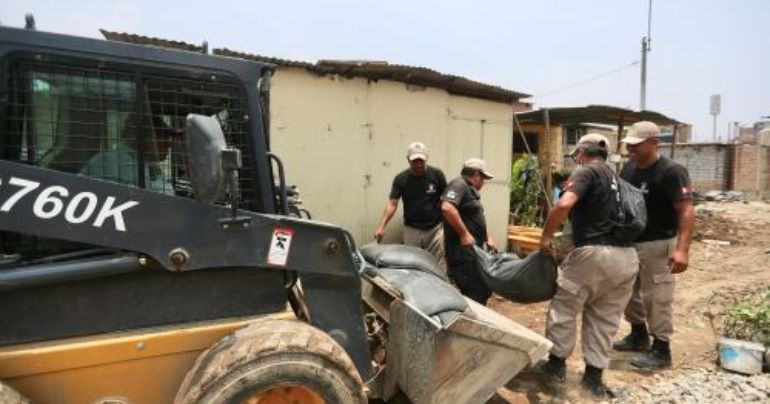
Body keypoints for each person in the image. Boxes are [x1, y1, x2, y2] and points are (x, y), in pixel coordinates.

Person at [535, 134, 639, 398]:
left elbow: (564, 204)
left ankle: (555, 368)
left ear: (581, 152)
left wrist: (546, 236)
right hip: (626, 258)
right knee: (604, 318)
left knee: (565, 307)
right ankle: (593, 378)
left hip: (595, 254)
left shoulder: (587, 171)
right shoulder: (619, 180)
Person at [613, 121, 695, 370]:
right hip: (630, 243)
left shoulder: (671, 172)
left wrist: (682, 249)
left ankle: (661, 349)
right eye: (629, 145)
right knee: (626, 292)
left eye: (637, 145)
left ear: (654, 142)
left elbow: (686, 210)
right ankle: (638, 334)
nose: (631, 149)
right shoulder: (628, 169)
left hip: (659, 244)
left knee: (657, 298)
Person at [373, 142, 447, 270]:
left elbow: (446, 199)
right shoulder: (401, 179)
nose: (418, 164)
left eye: (421, 161)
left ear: (426, 159)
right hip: (412, 229)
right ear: (408, 160)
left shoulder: (437, 175)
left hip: (435, 229)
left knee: (438, 263)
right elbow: (392, 203)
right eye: (414, 161)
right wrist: (381, 226)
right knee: (411, 264)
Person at [441, 158, 496, 305]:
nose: (484, 182)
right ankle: (471, 323)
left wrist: (488, 237)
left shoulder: (468, 190)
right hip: (462, 254)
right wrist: (464, 234)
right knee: (475, 292)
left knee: (482, 290)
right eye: (483, 178)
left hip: (473, 253)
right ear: (477, 175)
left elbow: (474, 218)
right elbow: (447, 207)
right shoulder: (459, 184)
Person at [80, 114, 179, 194]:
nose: (169, 144)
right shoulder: (110, 162)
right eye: (163, 137)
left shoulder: (148, 165)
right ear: (144, 136)